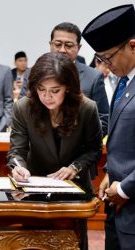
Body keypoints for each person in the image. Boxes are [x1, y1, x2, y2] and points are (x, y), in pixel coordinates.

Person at [7, 52, 103, 250]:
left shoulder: (87, 108)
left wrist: (75, 167)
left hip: (74, 192)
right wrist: (18, 168)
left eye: (54, 90)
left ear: (68, 88)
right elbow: (17, 150)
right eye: (41, 89)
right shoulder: (24, 107)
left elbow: (94, 150)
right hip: (35, 191)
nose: (46, 96)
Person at [82, 4, 135, 250]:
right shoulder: (124, 82)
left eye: (108, 57)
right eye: (100, 58)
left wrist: (124, 188)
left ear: (132, 46)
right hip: (117, 207)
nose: (105, 64)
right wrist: (109, 175)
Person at [48, 22, 109, 138]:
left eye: (69, 45)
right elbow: (24, 114)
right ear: (50, 44)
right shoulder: (34, 74)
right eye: (57, 44)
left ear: (78, 47)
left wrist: (82, 141)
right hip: (42, 150)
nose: (62, 50)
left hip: (80, 152)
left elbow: (104, 119)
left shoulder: (93, 77)